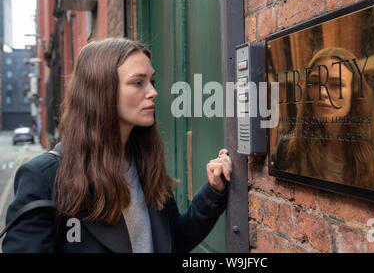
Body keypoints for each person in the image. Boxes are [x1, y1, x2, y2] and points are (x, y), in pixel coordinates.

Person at [2, 38, 232, 253]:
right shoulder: (45, 178)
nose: (153, 92)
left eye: (152, 81)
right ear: (101, 91)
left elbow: (173, 240)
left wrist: (213, 191)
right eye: (138, 82)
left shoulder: (144, 163)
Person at [271, 47, 374, 192]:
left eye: (335, 84)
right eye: (314, 83)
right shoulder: (288, 149)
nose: (322, 93)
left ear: (355, 92)